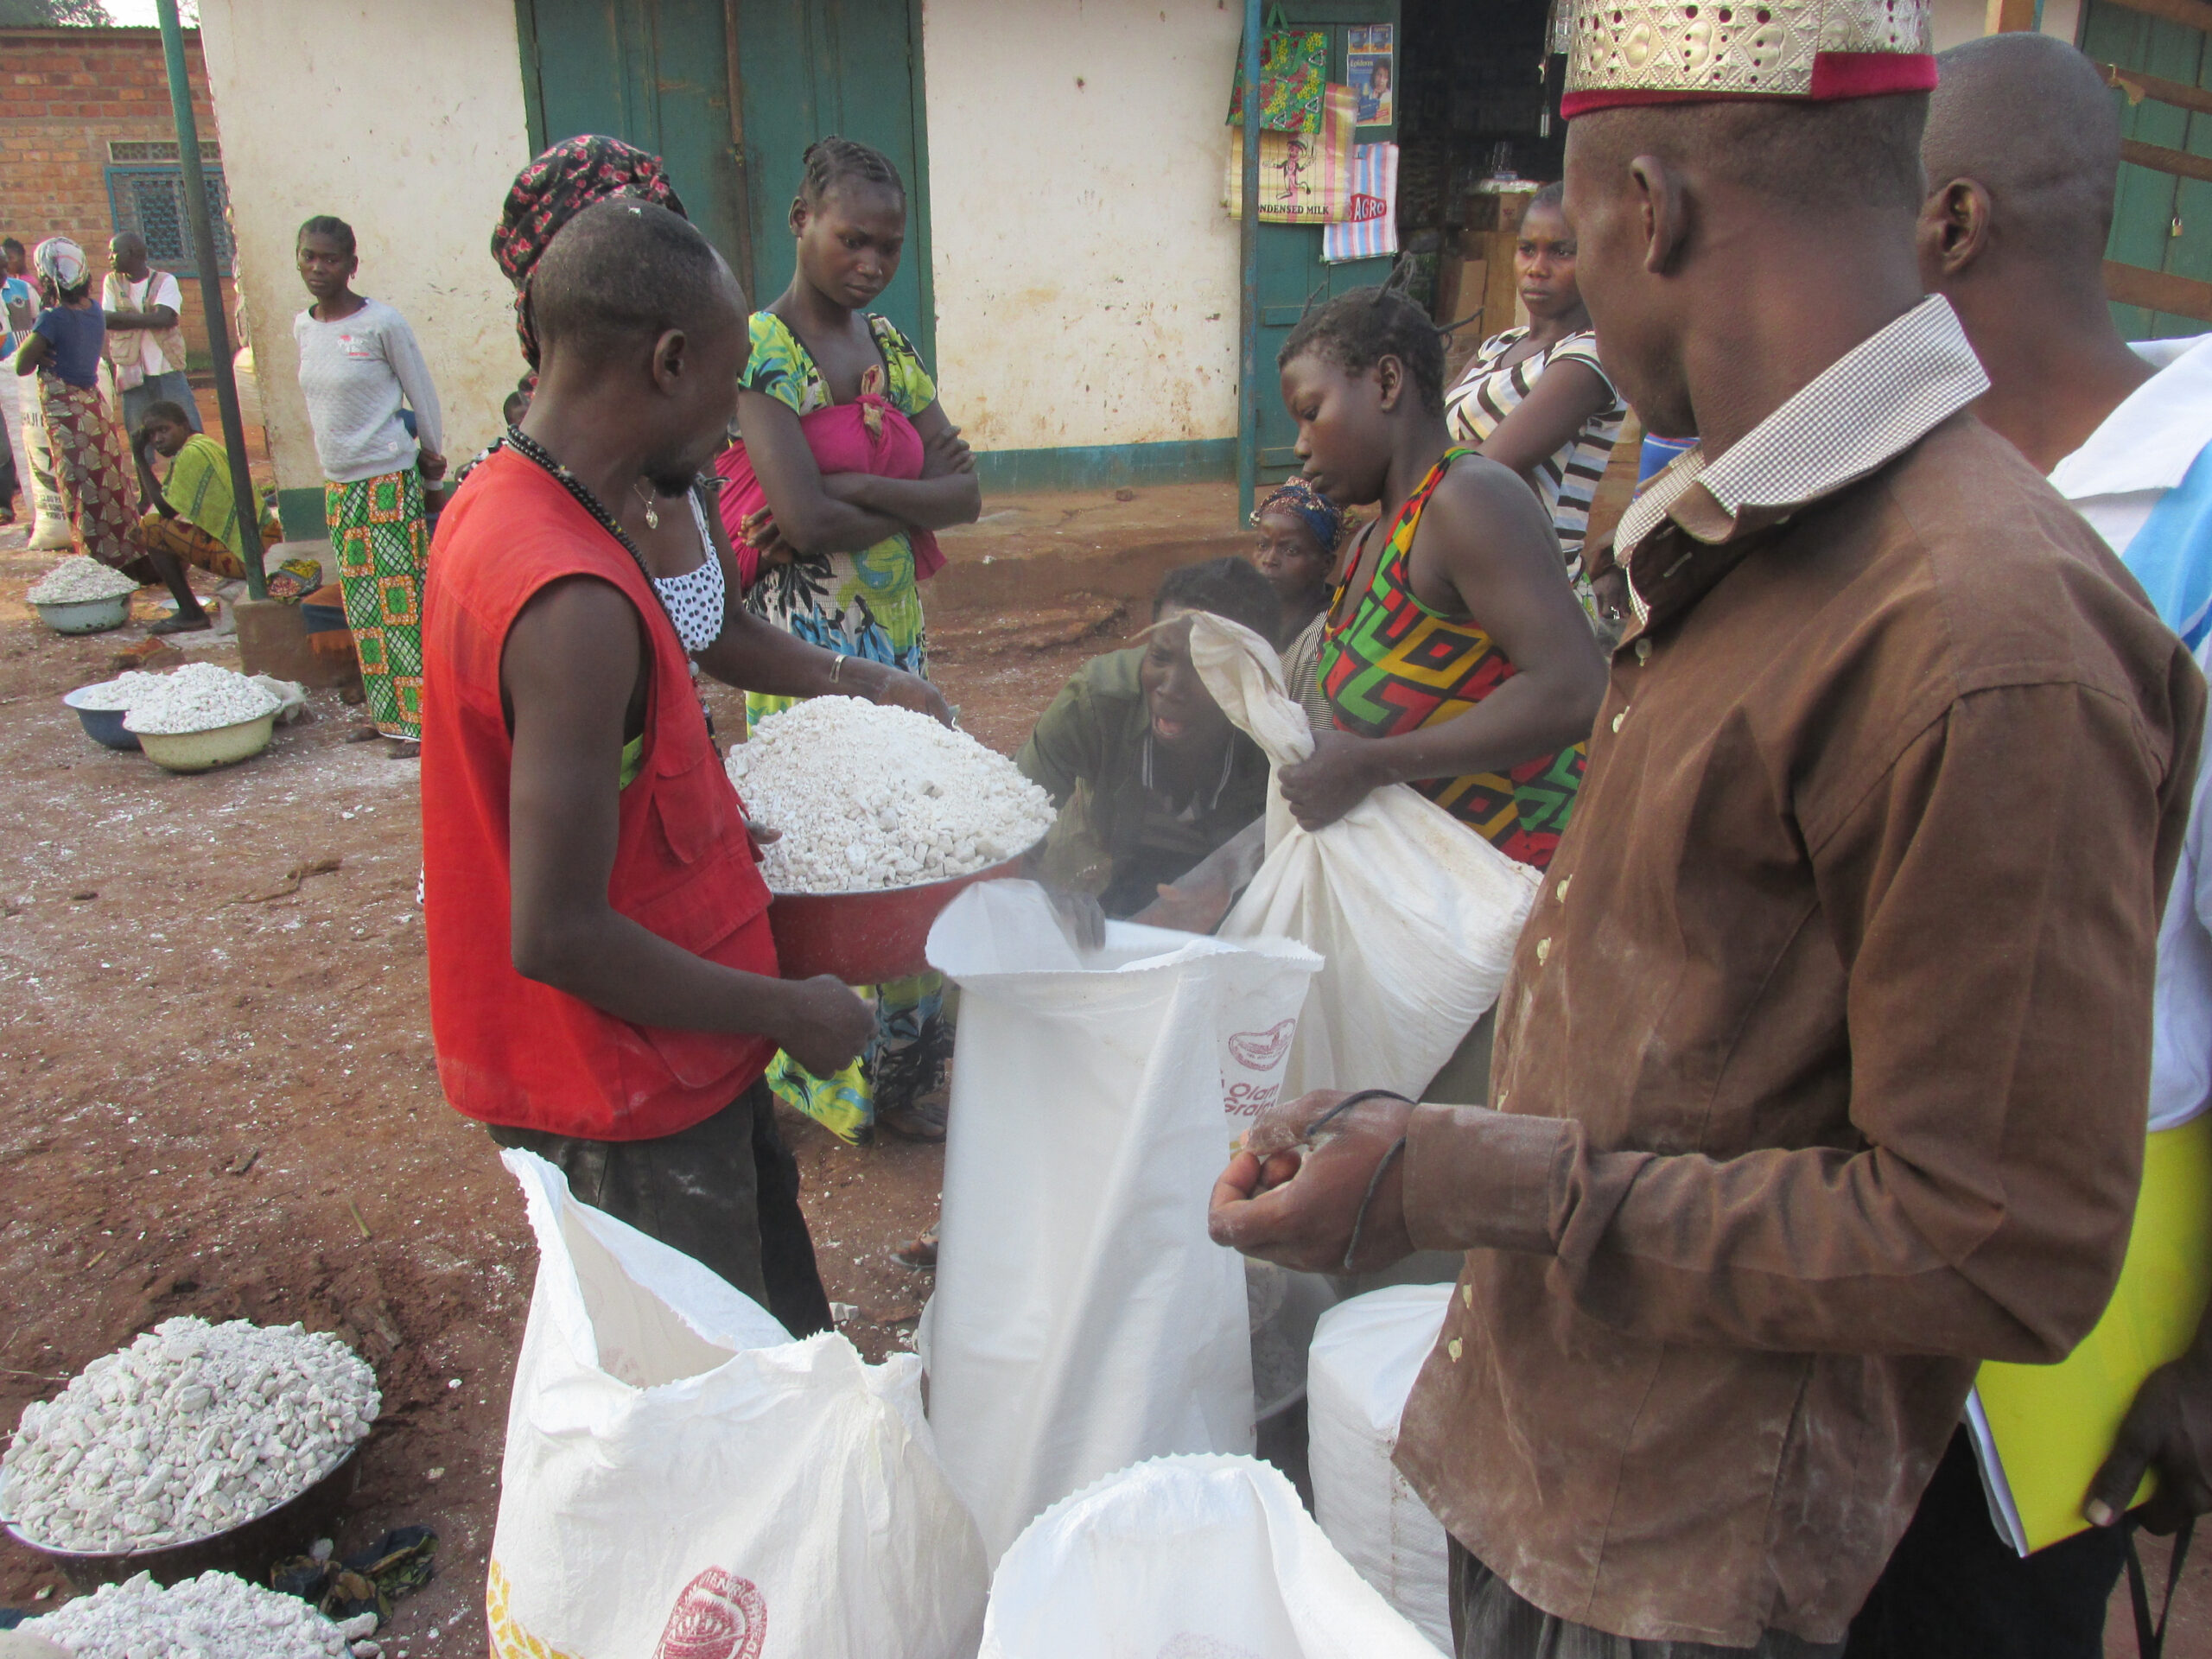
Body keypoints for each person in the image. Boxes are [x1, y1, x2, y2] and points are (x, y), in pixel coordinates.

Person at [1207, 3, 2206, 1654]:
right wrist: (1425, 1144)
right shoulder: (1758, 531)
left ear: (1647, 209)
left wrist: (1480, 1179)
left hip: (1722, 1570)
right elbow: (1706, 1039)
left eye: (1576, 223)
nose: (1574, 278)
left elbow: (2000, 1242)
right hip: (1590, 1496)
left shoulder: (1983, 638)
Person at [1840, 35, 2212, 1657]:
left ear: (1951, 227)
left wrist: (2210, 1362)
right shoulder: (1913, 484)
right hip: (1855, 1267)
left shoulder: (2190, 516)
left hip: (2083, 1314)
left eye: (1844, 213)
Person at [423, 194, 938, 1335]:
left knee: (775, 1334)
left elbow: (590, 781)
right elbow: (555, 932)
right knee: (715, 1397)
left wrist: (697, 812)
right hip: (623, 1087)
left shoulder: (509, 505)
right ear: (668, 362)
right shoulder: (572, 600)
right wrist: (791, 1010)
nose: (732, 427)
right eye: (724, 383)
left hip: (669, 1057)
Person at [718, 134, 982, 1144]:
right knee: (829, 858)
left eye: (889, 245)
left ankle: (905, 1078)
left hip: (898, 647)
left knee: (910, 843)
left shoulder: (891, 351)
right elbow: (799, 518)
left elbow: (965, 494)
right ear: (801, 223)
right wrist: (898, 501)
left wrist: (860, 487)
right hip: (802, 655)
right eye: (851, 239)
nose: (871, 262)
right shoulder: (761, 355)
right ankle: (829, 1084)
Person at [1018, 556, 1280, 920]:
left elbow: (1291, 849)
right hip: (1117, 861)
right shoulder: (1097, 699)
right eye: (1159, 656)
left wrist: (1228, 876)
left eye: (1202, 669)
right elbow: (1009, 822)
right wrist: (1049, 898)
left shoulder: (1274, 734)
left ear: (1247, 678)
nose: (1170, 688)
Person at [293, 214, 444, 751]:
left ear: (352, 265)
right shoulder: (304, 327)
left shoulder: (382, 324)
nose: (318, 267)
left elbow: (419, 390)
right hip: (340, 485)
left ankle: (423, 721)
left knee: (400, 603)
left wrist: (432, 453)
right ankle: (387, 715)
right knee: (363, 606)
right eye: (309, 255)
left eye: (330, 258)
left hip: (387, 477)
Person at [1444, 182, 1629, 613]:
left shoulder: (1591, 356)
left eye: (1561, 252)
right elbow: (1432, 448)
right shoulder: (1497, 347)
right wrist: (1459, 456)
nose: (1537, 268)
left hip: (1538, 596)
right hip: (1470, 576)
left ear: (1597, 258)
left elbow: (1484, 475)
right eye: (1527, 249)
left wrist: (1454, 458)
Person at [12, 237, 143, 573]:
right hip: (94, 411)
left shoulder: (52, 320)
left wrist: (40, 346)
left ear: (45, 279)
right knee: (109, 484)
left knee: (82, 490)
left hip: (69, 419)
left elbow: (22, 365)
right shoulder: (95, 310)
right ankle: (125, 554)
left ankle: (98, 565)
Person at [1249, 475, 1347, 732]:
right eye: (1262, 545)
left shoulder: (1318, 646)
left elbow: (1307, 745)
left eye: (1290, 550)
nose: (1269, 559)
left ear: (1326, 564)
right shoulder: (1251, 617)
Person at [102, 232, 200, 438]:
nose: (110, 258)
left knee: (187, 427)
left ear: (132, 252)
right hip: (131, 370)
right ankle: (144, 470)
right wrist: (150, 318)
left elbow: (165, 318)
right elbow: (107, 319)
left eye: (114, 252)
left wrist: (125, 319)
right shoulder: (111, 282)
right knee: (138, 433)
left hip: (166, 366)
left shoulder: (165, 281)